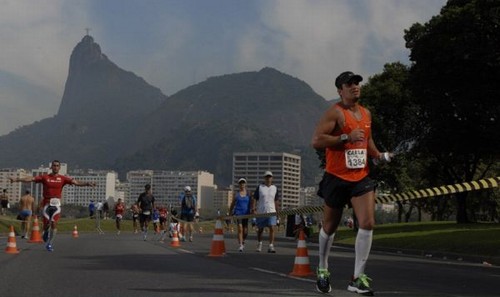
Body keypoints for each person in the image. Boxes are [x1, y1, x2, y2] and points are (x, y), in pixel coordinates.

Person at [311, 71, 392, 295]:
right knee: (329, 227)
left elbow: (367, 141)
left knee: (367, 222)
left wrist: (378, 155)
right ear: (340, 90)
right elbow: (316, 140)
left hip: (361, 178)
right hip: (336, 177)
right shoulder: (335, 113)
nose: (355, 86)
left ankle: (357, 278)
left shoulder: (366, 114)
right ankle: (323, 268)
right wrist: (344, 137)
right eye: (349, 84)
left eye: (357, 83)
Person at [10, 160, 95, 252]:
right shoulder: (45, 177)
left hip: (57, 205)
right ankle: (46, 231)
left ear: (59, 168)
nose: (55, 167)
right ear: (51, 167)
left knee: (54, 223)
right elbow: (31, 179)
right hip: (46, 204)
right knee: (46, 225)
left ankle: (50, 243)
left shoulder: (63, 178)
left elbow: (76, 182)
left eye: (57, 166)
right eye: (54, 165)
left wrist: (87, 183)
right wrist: (16, 180)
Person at [252, 171, 280, 253]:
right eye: (267, 177)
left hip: (272, 211)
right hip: (261, 211)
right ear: (264, 178)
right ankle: (259, 243)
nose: (268, 179)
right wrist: (254, 209)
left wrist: (277, 213)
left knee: (272, 228)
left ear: (272, 178)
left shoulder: (275, 188)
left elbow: (276, 201)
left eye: (270, 177)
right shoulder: (260, 187)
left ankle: (271, 245)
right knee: (260, 229)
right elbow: (254, 198)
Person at [229, 177, 252, 252]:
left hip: (246, 213)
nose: (242, 184)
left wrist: (252, 210)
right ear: (239, 185)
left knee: (245, 231)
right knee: (240, 228)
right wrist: (230, 213)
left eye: (243, 183)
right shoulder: (236, 194)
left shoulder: (248, 194)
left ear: (245, 184)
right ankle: (241, 245)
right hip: (238, 213)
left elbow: (251, 203)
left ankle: (243, 240)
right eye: (240, 183)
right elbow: (232, 204)